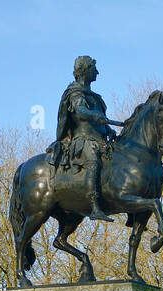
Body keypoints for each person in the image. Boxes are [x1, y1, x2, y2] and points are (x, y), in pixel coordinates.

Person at [46, 55, 124, 222]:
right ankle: (95, 206)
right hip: (82, 140)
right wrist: (95, 115)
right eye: (93, 69)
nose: (97, 72)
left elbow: (100, 120)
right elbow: (80, 111)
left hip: (101, 139)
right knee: (93, 159)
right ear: (85, 71)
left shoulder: (95, 97)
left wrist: (108, 129)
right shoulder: (75, 93)